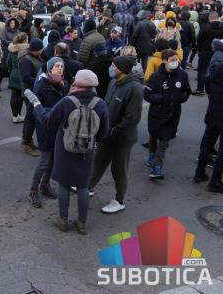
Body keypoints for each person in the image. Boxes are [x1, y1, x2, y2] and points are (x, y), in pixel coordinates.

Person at [25, 70, 109, 235]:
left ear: (78, 83)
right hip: (86, 151)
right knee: (83, 186)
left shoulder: (67, 102)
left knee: (64, 183)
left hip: (65, 148)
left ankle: (63, 220)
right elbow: (103, 133)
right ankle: (82, 224)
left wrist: (36, 104)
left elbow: (46, 121)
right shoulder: (100, 104)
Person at [88, 56, 144, 214]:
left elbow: (132, 118)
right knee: (98, 162)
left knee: (119, 170)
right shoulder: (113, 82)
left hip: (122, 139)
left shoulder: (135, 88)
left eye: (113, 66)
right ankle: (88, 187)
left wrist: (114, 131)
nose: (111, 68)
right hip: (106, 134)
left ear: (121, 69)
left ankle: (119, 200)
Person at [28, 57, 68, 209]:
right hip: (44, 127)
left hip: (58, 127)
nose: (60, 68)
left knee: (53, 159)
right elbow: (35, 108)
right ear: (50, 69)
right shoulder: (41, 84)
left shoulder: (63, 84)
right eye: (57, 66)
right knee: (45, 161)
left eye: (61, 66)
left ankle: (45, 185)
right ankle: (33, 190)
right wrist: (55, 112)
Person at [144, 49, 190, 179]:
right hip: (157, 113)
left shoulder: (182, 75)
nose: (176, 62)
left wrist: (180, 97)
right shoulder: (155, 77)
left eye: (176, 59)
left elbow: (187, 91)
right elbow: (147, 94)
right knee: (154, 136)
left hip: (172, 114)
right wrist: (160, 98)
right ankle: (151, 154)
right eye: (172, 60)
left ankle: (157, 168)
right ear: (164, 61)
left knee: (164, 140)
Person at [194, 38, 223, 193]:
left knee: (207, 144)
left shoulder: (218, 69)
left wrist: (213, 99)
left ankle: (199, 173)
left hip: (213, 111)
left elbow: (208, 83)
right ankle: (215, 182)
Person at [19, 37, 44, 156]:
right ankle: (26, 143)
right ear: (37, 50)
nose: (42, 50)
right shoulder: (26, 60)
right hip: (30, 93)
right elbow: (26, 77)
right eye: (41, 49)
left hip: (34, 91)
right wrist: (41, 81)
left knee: (31, 118)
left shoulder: (36, 57)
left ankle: (27, 140)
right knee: (31, 118)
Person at [193, 12, 223, 96]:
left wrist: (199, 49)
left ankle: (200, 89)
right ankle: (215, 89)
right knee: (218, 70)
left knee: (202, 71)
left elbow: (199, 40)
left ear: (209, 18)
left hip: (205, 51)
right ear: (218, 17)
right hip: (220, 52)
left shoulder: (205, 27)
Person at [8, 33, 29, 124]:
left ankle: (14, 116)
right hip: (22, 73)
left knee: (13, 95)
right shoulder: (26, 51)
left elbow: (8, 63)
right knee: (20, 95)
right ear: (24, 40)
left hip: (13, 73)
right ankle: (19, 114)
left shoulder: (12, 50)